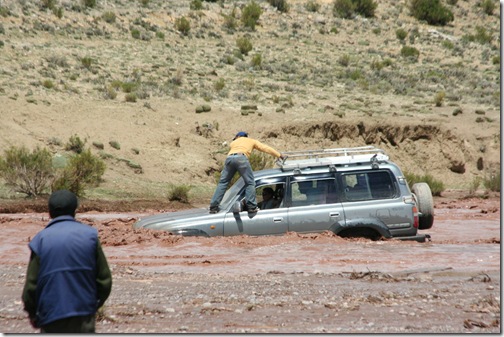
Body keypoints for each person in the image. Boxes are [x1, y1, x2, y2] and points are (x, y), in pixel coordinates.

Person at [22, 190, 112, 333]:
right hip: (83, 315)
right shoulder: (90, 236)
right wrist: (93, 305)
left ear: (49, 213)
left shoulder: (41, 240)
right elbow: (104, 280)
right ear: (75, 211)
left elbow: (31, 288)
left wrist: (33, 314)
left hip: (50, 316)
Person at [209, 131, 285, 214]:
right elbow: (265, 148)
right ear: (246, 137)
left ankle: (213, 207)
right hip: (241, 158)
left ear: (237, 136)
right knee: (250, 183)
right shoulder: (251, 141)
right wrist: (279, 155)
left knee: (223, 182)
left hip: (229, 158)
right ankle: (251, 207)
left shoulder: (233, 143)